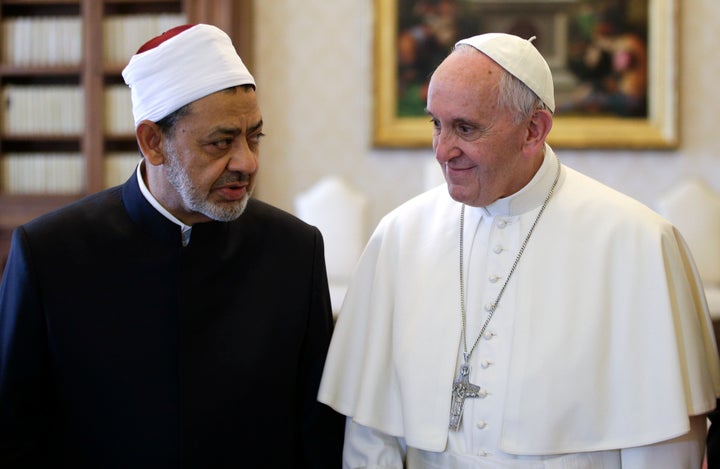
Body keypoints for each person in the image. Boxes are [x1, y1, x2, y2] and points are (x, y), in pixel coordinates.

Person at [318, 32, 720, 467]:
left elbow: (662, 441)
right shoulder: (399, 235)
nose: (441, 150)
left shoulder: (638, 242)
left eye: (465, 128)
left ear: (533, 130)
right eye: (436, 123)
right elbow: (370, 431)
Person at [0, 24, 344, 467]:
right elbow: (14, 432)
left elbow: (319, 430)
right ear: (153, 142)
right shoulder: (50, 254)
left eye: (254, 136)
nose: (247, 161)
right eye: (221, 142)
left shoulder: (295, 251)